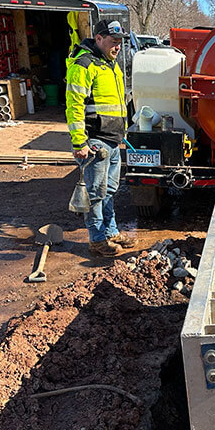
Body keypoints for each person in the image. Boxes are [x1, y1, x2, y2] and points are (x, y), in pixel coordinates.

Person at [65, 19, 136, 257]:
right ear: (98, 39)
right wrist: (79, 142)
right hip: (95, 141)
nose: (117, 47)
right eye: (113, 42)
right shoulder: (84, 65)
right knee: (95, 193)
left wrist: (120, 134)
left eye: (119, 43)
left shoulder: (110, 64)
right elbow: (74, 107)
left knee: (110, 190)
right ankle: (97, 240)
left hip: (112, 140)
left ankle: (111, 232)